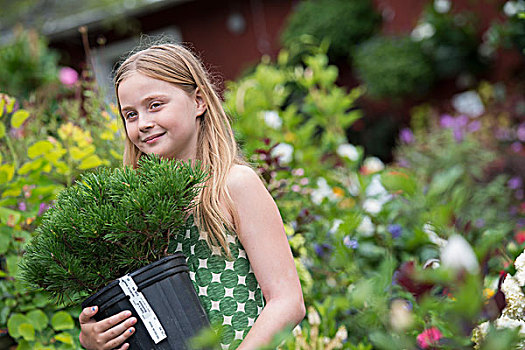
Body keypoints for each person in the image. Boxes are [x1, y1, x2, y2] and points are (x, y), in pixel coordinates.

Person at [78, 43, 305, 350]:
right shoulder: (134, 209)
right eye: (130, 114)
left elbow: (287, 301)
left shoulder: (233, 185)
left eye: (155, 105)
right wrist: (95, 338)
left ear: (198, 101)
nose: (142, 122)